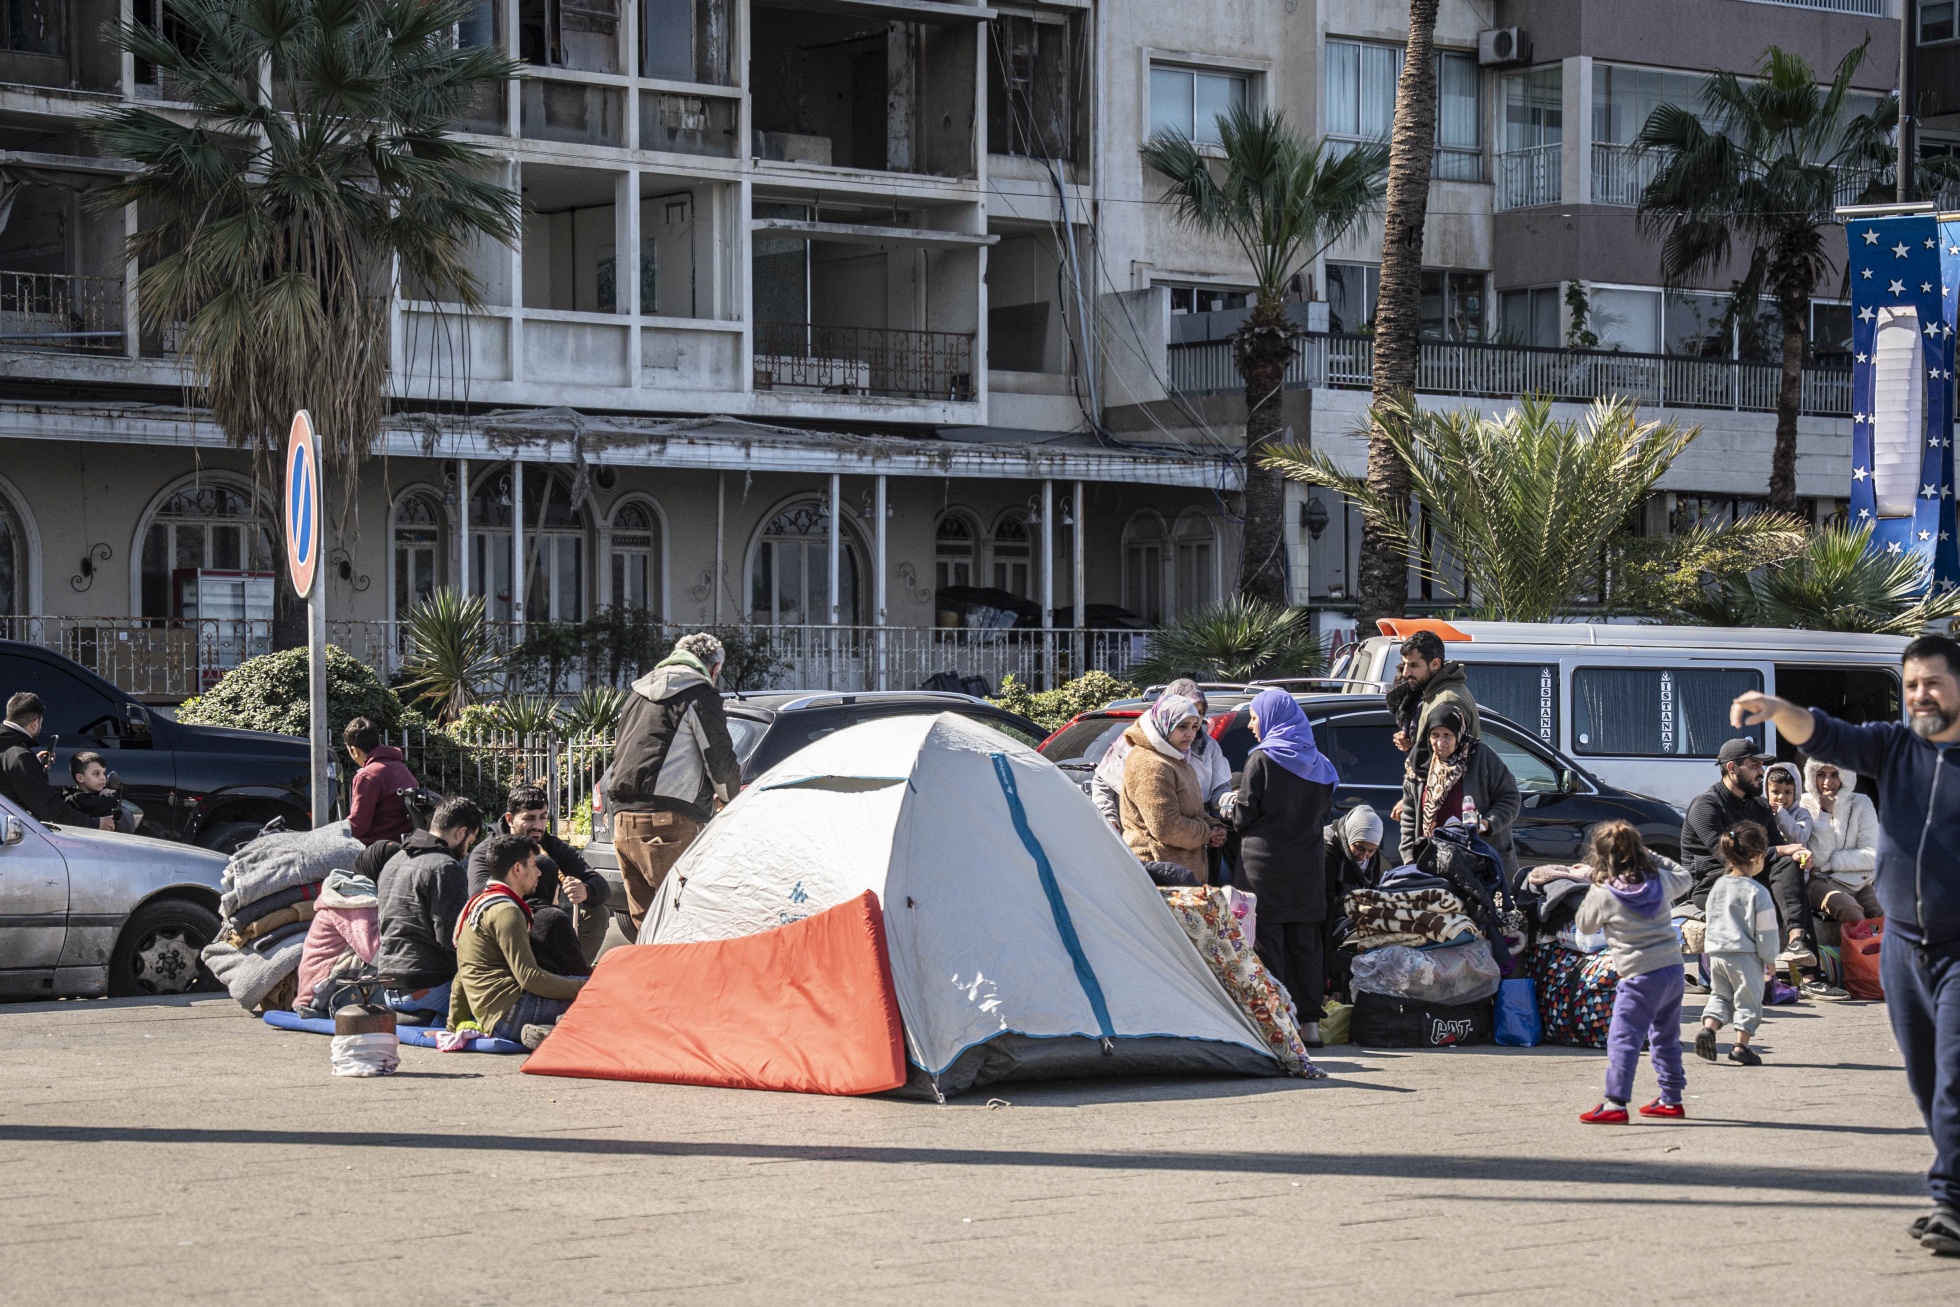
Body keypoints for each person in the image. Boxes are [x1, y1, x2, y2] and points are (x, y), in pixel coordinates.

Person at [1731, 637, 1960, 1255]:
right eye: (1911, 686)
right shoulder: (1896, 747)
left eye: (1932, 684)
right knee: (1925, 1078)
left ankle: (1953, 1201)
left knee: (1955, 1078)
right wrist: (1778, 708)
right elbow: (1827, 735)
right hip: (1903, 949)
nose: (1919, 696)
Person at [1225, 689, 1338, 1046]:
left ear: (1272, 718)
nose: (1253, 727)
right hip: (1307, 868)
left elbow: (1245, 814)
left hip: (1265, 867)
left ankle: (1277, 1024)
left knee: (1268, 943)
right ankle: (1310, 1027)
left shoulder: (1262, 760)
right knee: (1306, 946)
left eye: (1256, 718)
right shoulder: (1319, 764)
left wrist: (1226, 807)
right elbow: (1324, 814)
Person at [607, 632, 741, 933]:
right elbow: (719, 762)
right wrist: (732, 800)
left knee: (649, 929)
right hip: (669, 822)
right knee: (685, 923)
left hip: (623, 821)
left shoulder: (636, 694)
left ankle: (650, 980)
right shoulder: (699, 694)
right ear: (715, 668)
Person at [1575, 820, 1695, 1124]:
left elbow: (1584, 925)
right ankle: (1671, 1099)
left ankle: (1615, 1104)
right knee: (1666, 1037)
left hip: (1639, 976)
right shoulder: (1659, 880)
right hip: (1672, 971)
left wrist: (1595, 883)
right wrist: (1650, 856)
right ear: (1638, 850)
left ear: (1601, 857)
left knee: (1623, 1038)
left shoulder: (1603, 894)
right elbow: (1685, 876)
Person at [1679, 738, 1815, 972]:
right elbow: (1729, 859)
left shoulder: (1759, 807)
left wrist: (1798, 855)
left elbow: (1779, 851)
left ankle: (1798, 947)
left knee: (1789, 866)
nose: (1761, 772)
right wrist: (1783, 850)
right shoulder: (1706, 806)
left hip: (1753, 878)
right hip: (1713, 885)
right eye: (1754, 766)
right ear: (1732, 768)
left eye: (1761, 766)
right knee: (1780, 861)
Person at [449, 833, 587, 1048]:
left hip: (495, 1017)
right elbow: (530, 977)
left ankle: (551, 1030)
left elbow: (462, 973)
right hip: (513, 1014)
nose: (539, 872)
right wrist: (586, 987)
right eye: (533, 865)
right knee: (600, 1000)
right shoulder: (507, 911)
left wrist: (453, 1025)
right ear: (517, 869)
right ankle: (555, 1032)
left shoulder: (478, 903)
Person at [467, 785, 612, 972]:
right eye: (529, 818)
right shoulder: (488, 851)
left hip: (548, 922)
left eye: (543, 817)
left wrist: (585, 890)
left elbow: (600, 885)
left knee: (598, 912)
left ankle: (572, 973)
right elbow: (479, 893)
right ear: (510, 819)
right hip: (508, 928)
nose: (538, 826)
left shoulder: (551, 845)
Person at [372, 796, 482, 1020]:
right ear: (461, 833)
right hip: (428, 988)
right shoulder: (445, 866)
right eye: (471, 840)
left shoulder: (394, 861)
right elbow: (454, 938)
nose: (467, 849)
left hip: (388, 988)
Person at [1397, 705, 1521, 878]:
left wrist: (1488, 823)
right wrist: (1410, 857)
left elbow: (1510, 797)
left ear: (1459, 733)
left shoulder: (1480, 757)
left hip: (1480, 860)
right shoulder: (1419, 765)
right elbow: (1409, 817)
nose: (1441, 742)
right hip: (1434, 860)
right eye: (1435, 735)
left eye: (1447, 735)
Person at [1694, 821, 1780, 1068]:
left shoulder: (1718, 886)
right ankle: (1741, 1046)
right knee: (1748, 1001)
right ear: (1757, 857)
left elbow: (1711, 917)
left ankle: (1709, 1028)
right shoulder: (1757, 891)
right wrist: (1769, 959)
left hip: (1716, 953)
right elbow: (1766, 931)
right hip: (1745, 956)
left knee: (1720, 995)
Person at [1091, 679, 1230, 828]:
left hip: (1190, 843)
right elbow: (1103, 782)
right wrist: (1110, 820)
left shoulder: (1206, 747)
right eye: (1183, 716)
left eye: (1199, 713)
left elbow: (1218, 793)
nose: (1193, 721)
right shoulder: (1135, 743)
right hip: (1134, 842)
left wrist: (1232, 807)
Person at [1117, 694, 1224, 882]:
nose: (1190, 733)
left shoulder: (1176, 758)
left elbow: (1192, 811)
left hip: (1178, 874)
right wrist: (1207, 833)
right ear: (1164, 724)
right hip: (1158, 873)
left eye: (1194, 727)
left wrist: (1214, 826)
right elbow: (1166, 826)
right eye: (1182, 726)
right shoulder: (1151, 764)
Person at [294, 839, 395, 1016]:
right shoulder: (356, 901)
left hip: (324, 989)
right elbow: (378, 954)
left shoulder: (359, 893)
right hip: (322, 996)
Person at [1802, 756, 1881, 938]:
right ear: (1812, 775)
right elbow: (1816, 859)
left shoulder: (1862, 802)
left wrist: (1829, 865)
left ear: (1845, 777)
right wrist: (1825, 813)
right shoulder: (1804, 803)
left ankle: (1883, 965)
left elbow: (1873, 854)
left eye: (1835, 775)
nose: (1827, 782)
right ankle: (1858, 963)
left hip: (1857, 881)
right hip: (1818, 882)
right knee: (1850, 910)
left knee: (1883, 912)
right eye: (1821, 774)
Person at [1386, 630, 1480, 756]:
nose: (1405, 673)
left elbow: (1449, 759)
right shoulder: (1431, 693)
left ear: (1435, 664)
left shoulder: (1447, 701)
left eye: (1413, 665)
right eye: (1405, 665)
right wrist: (1409, 742)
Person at [344, 717, 418, 846]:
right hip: (404, 844)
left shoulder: (367, 776)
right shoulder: (402, 769)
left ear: (355, 751)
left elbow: (358, 826)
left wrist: (334, 833)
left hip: (377, 850)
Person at [0, 691, 55, 821]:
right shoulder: (20, 757)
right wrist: (95, 823)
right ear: (35, 723)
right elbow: (48, 808)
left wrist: (34, 763)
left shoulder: (10, 750)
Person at [57, 752, 121, 832]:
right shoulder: (75, 798)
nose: (103, 778)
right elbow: (96, 804)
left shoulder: (99, 793)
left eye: (104, 773)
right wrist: (111, 796)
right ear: (80, 778)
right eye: (96, 774)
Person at [1764, 761, 1812, 850]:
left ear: (1796, 792)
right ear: (1767, 791)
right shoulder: (1764, 812)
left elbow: (1800, 839)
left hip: (1796, 860)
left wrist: (1781, 814)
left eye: (1787, 792)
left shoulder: (1801, 814)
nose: (1781, 797)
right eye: (1775, 792)